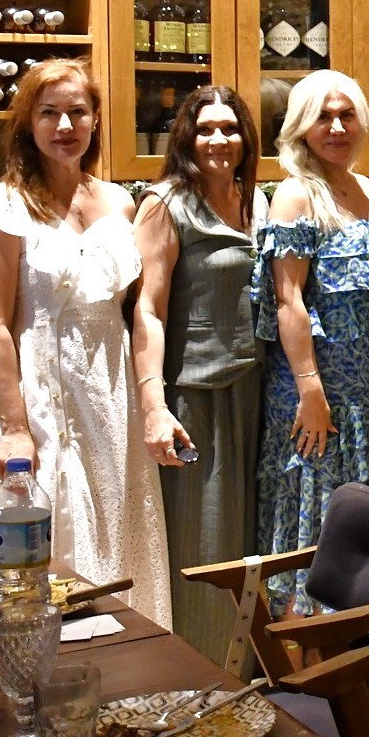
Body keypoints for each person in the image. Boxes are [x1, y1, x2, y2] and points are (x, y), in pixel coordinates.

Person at [0, 58, 172, 625]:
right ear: (27, 122)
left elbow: (138, 312)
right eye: (49, 113)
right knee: (50, 539)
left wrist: (151, 402)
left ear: (96, 119)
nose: (64, 126)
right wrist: (14, 427)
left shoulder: (120, 203)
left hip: (109, 397)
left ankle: (129, 664)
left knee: (120, 530)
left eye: (77, 112)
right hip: (39, 397)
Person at [253, 70, 369, 614]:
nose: (337, 128)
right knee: (311, 518)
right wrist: (309, 389)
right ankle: (303, 649)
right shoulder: (296, 194)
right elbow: (288, 300)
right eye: (323, 117)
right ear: (301, 125)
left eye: (346, 116)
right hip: (315, 390)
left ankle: (350, 640)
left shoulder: (365, 189)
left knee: (358, 523)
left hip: (366, 390)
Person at [132, 85, 268, 660]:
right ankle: (194, 676)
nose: (218, 140)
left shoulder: (257, 200)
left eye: (230, 128)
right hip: (194, 398)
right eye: (206, 128)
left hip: (255, 392)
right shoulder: (165, 204)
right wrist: (154, 405)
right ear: (185, 136)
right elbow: (148, 310)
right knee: (201, 543)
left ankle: (245, 675)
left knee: (248, 542)